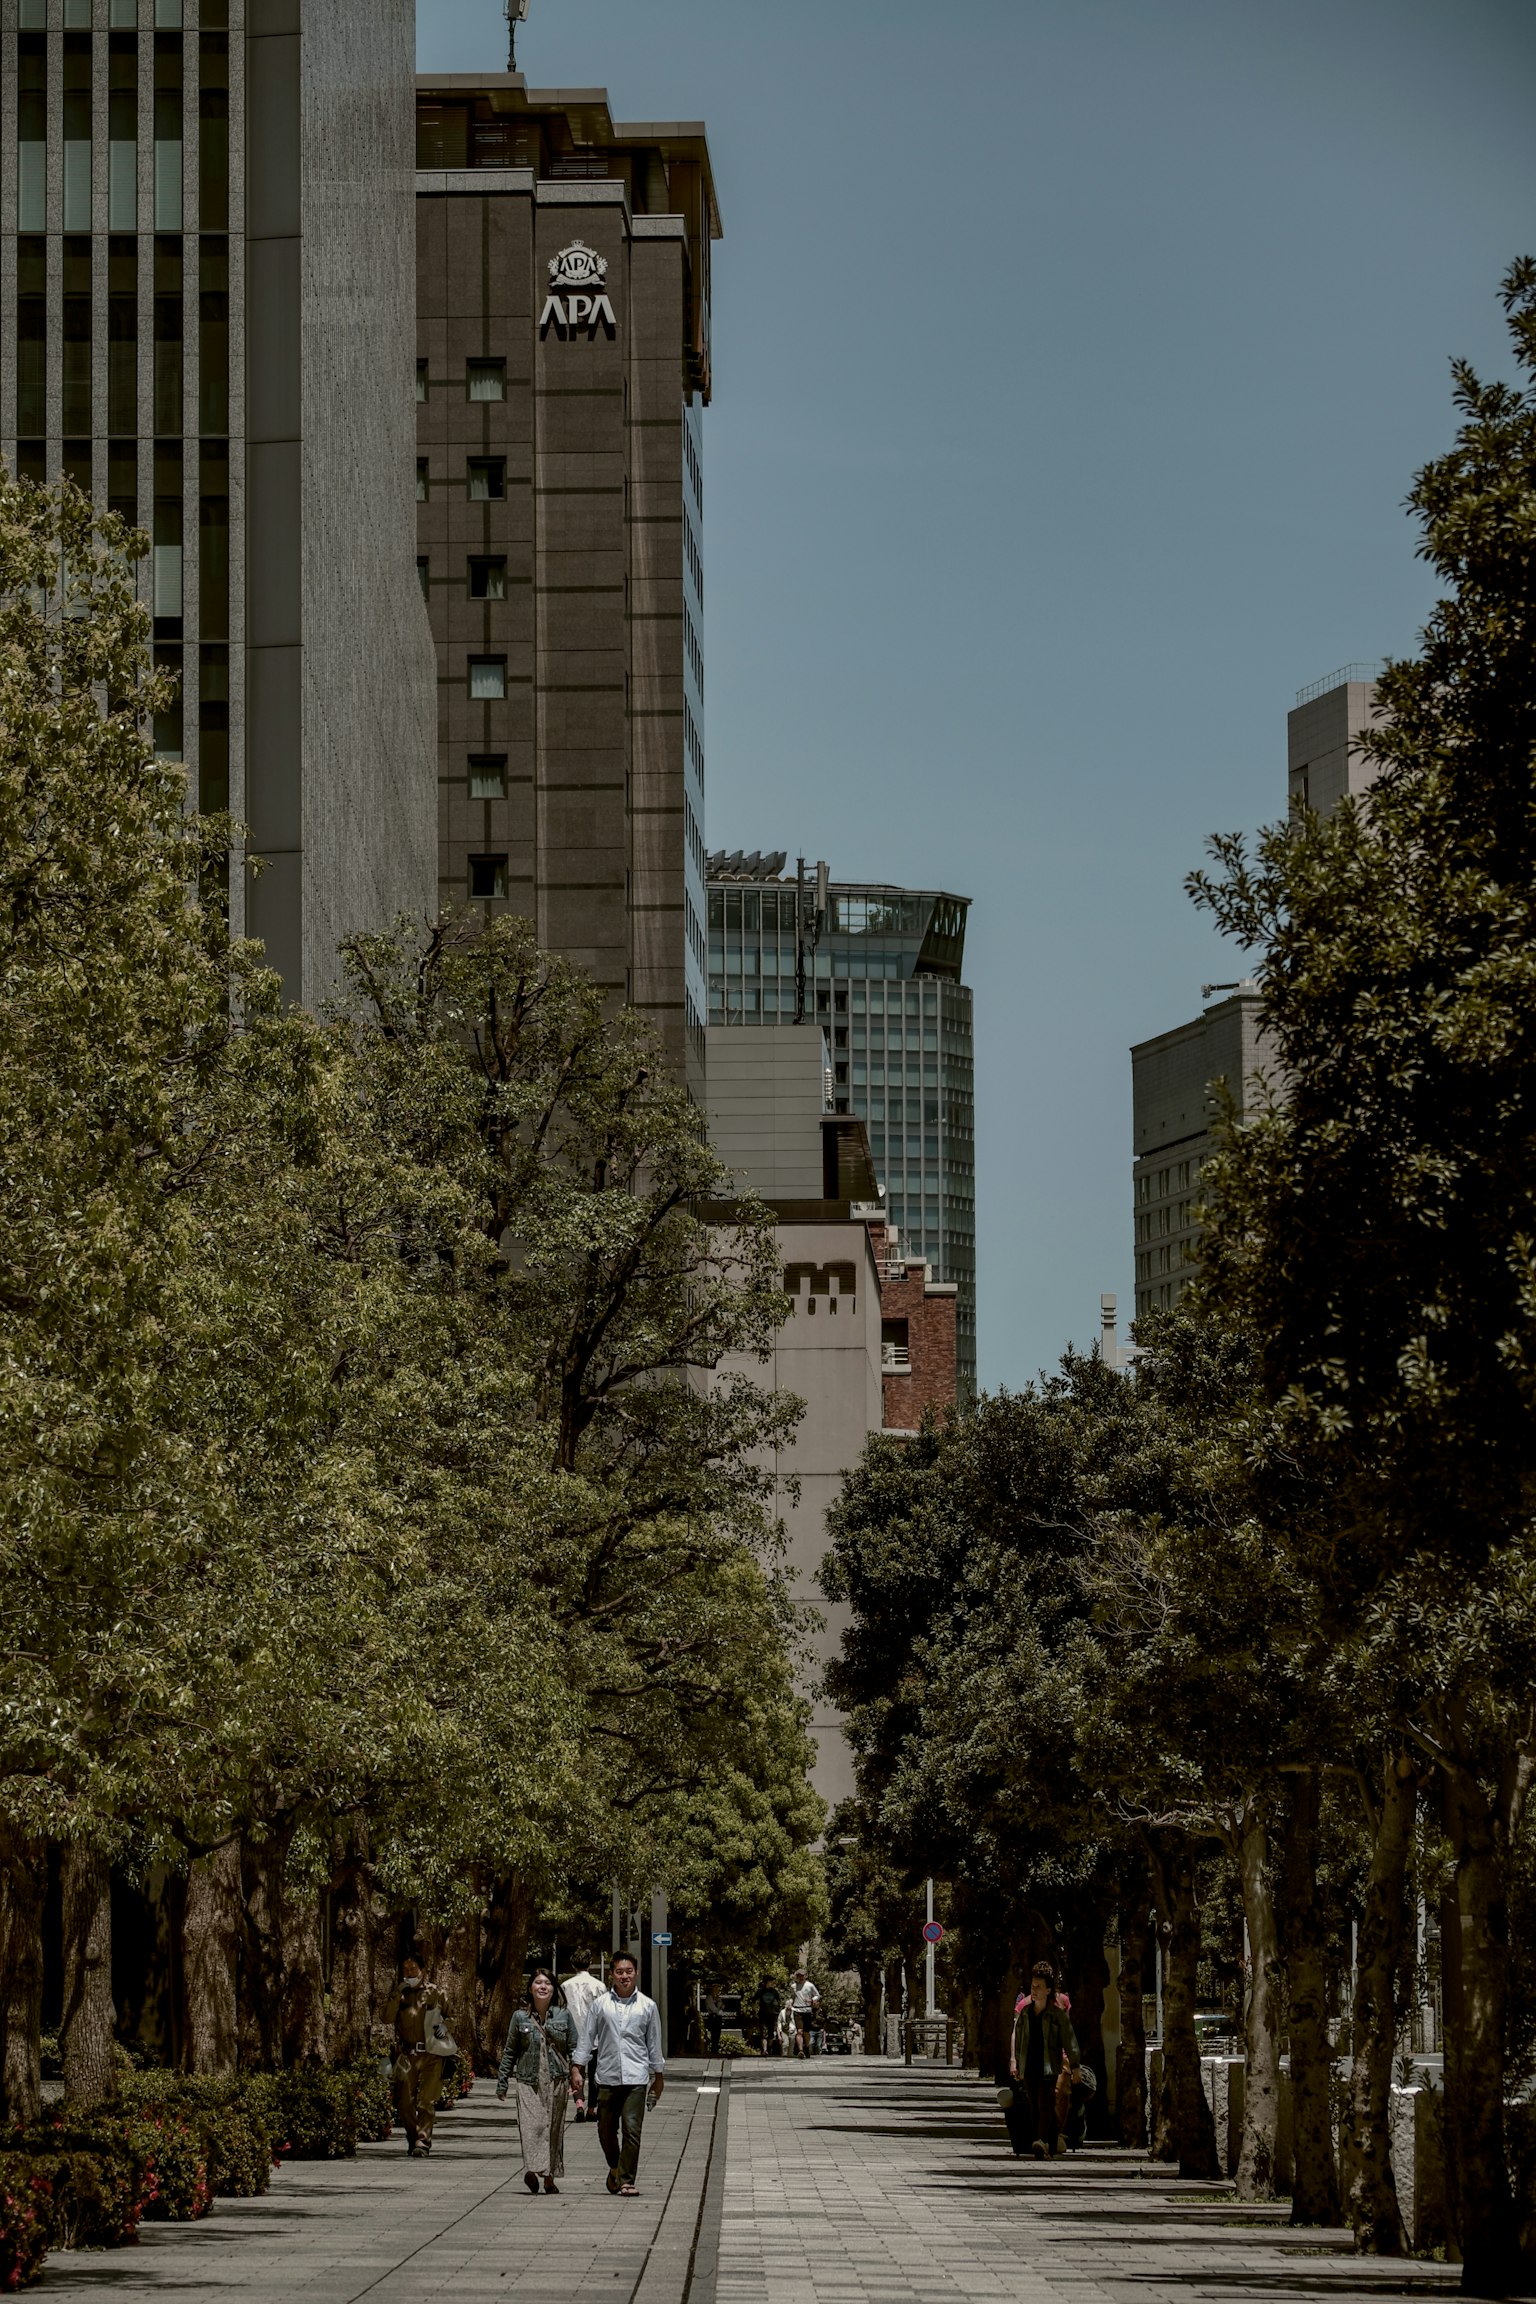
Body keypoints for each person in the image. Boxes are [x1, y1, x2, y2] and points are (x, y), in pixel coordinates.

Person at [573, 1951, 664, 2196]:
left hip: (636, 2078)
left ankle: (626, 2181)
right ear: (612, 1974)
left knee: (632, 2130)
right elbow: (587, 2038)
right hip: (607, 2077)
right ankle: (615, 2167)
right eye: (619, 1972)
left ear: (636, 1973)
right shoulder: (600, 2005)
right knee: (605, 2130)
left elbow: (654, 2043)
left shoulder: (647, 2006)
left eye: (629, 1972)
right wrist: (577, 2068)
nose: (624, 1976)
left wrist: (658, 2076)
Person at [497, 1968, 580, 2194]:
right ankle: (532, 2169)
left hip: (556, 2080)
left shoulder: (563, 2015)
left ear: (554, 1989)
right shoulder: (519, 2017)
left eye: (547, 1983)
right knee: (532, 2127)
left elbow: (575, 2048)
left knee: (553, 2129)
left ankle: (549, 2177)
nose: (543, 1987)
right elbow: (510, 2051)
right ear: (531, 1988)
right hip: (528, 2081)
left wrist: (577, 2075)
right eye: (538, 1983)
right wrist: (502, 2080)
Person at [385, 1953, 456, 2158]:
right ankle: (412, 2137)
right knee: (404, 2102)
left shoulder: (436, 1992)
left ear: (423, 1970)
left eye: (413, 1968)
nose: (409, 1973)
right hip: (407, 2055)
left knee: (426, 2101)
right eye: (405, 1969)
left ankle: (422, 2142)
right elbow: (386, 2017)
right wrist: (396, 1996)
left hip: (432, 2054)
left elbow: (452, 2015)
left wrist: (445, 2025)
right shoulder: (400, 1994)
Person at [1009, 1961, 1080, 2158]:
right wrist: (1014, 2060)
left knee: (1046, 2103)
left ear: (1049, 1990)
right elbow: (1017, 2035)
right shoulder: (1025, 2013)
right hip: (1029, 2066)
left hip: (1049, 2065)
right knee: (1034, 2106)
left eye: (1039, 1987)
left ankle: (1041, 2140)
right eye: (1033, 1986)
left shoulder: (1056, 2015)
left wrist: (1075, 2065)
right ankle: (1049, 2142)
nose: (1035, 1990)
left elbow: (1070, 2039)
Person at [560, 1960, 604, 2121]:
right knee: (595, 2074)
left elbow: (562, 2008)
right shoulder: (599, 1985)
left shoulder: (565, 1985)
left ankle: (579, 2104)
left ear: (573, 1965)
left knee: (576, 2072)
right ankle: (591, 2109)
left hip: (573, 2035)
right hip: (595, 2036)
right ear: (590, 1963)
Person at [789, 1969, 821, 2058]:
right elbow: (792, 1997)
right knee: (799, 2031)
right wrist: (790, 2002)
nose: (801, 1977)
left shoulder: (810, 1985)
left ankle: (806, 2047)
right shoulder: (793, 1986)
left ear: (805, 1976)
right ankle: (800, 2050)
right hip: (797, 2010)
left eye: (802, 1975)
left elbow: (817, 1995)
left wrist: (812, 2000)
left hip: (807, 2010)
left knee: (806, 2032)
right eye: (799, 1975)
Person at [755, 1976, 783, 2056]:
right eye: (770, 1981)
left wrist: (776, 2009)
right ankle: (764, 2050)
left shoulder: (774, 1992)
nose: (772, 1983)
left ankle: (769, 2048)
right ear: (766, 1982)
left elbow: (778, 2001)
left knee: (771, 2033)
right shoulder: (760, 1991)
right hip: (763, 2013)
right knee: (763, 2032)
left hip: (772, 2014)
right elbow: (754, 2000)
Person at [701, 1986, 725, 2058]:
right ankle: (713, 2050)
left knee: (717, 2034)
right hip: (712, 2017)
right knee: (713, 2034)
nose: (717, 1991)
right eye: (715, 1989)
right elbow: (713, 2009)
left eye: (717, 1989)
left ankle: (716, 2049)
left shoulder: (719, 1998)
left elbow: (722, 2006)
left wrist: (720, 2009)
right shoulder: (709, 1998)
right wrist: (719, 2010)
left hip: (718, 2018)